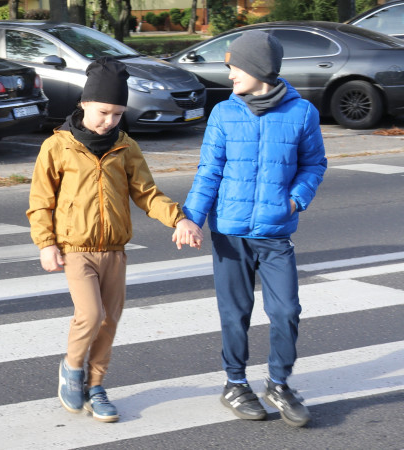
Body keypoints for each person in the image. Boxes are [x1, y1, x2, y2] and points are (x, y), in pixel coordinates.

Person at [27, 58, 201, 423]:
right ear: (84, 103)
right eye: (104, 112)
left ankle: (96, 385)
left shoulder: (126, 147)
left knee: (110, 322)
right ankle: (72, 369)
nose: (109, 120)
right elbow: (41, 201)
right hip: (76, 249)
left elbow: (147, 193)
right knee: (91, 315)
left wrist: (179, 219)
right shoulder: (57, 147)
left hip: (115, 252)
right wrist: (46, 243)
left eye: (118, 114)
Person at [181, 30, 326, 428]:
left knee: (286, 310)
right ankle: (234, 383)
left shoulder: (302, 113)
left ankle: (279, 383)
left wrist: (295, 199)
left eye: (235, 67)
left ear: (260, 68)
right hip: (229, 233)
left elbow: (314, 164)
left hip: (275, 232)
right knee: (235, 312)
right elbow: (208, 171)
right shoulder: (224, 114)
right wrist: (190, 217)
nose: (230, 76)